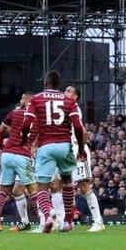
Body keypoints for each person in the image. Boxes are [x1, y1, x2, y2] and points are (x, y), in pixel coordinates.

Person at [20, 70, 86, 233]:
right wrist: (81, 149)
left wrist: (24, 141)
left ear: (45, 84)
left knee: (43, 186)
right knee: (67, 181)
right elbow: (78, 126)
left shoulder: (36, 99)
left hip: (45, 146)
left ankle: (49, 216)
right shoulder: (68, 101)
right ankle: (68, 221)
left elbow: (26, 124)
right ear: (59, 85)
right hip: (65, 145)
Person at [0, 92, 39, 232]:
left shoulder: (15, 112)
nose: (20, 100)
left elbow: (1, 129)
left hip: (7, 154)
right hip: (23, 156)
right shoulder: (38, 118)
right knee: (33, 190)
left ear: (26, 100)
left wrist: (13, 130)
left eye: (22, 98)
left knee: (5, 190)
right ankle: (44, 219)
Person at [64, 85, 105, 232]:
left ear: (75, 96)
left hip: (76, 148)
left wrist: (81, 149)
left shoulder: (73, 107)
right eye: (65, 90)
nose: (65, 92)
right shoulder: (63, 107)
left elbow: (83, 132)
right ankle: (65, 220)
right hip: (65, 150)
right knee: (60, 185)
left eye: (69, 91)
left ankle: (98, 222)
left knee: (84, 186)